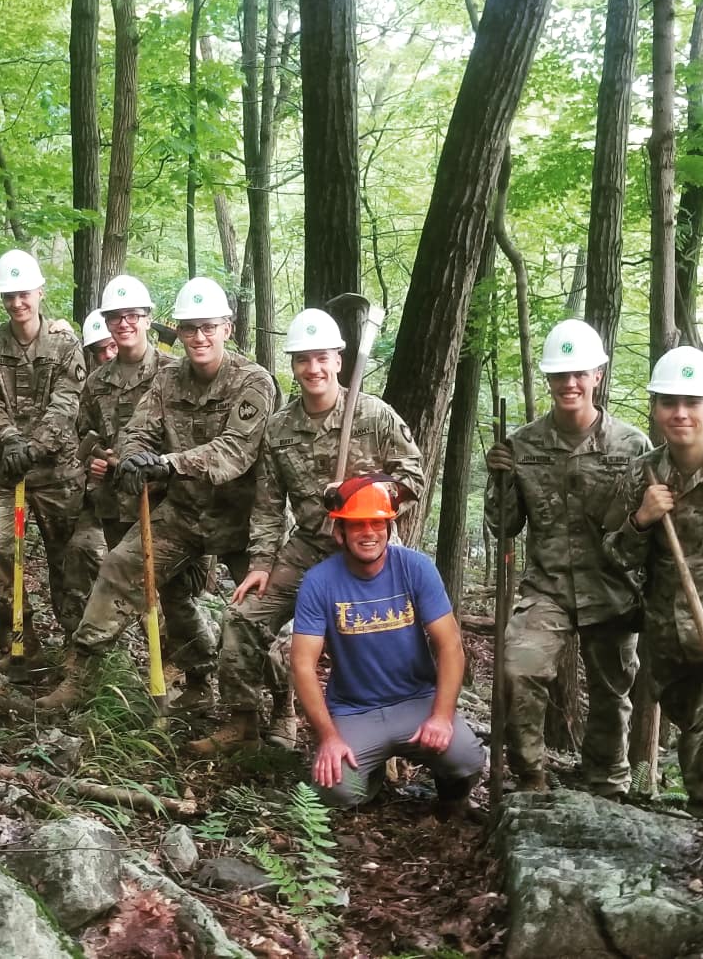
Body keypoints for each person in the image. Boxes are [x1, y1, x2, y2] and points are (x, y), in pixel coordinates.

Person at [191, 308, 424, 754]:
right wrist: (261, 563)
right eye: (302, 359)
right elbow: (267, 504)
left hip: (370, 552)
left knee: (374, 641)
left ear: (339, 359)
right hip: (307, 549)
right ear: (293, 365)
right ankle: (247, 722)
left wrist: (359, 492)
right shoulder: (279, 428)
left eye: (321, 358)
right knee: (242, 618)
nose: (313, 368)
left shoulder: (374, 416)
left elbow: (412, 477)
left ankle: (386, 739)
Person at [39, 276, 276, 710]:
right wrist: (131, 458)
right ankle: (82, 676)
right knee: (119, 566)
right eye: (189, 328)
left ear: (227, 327)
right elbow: (138, 429)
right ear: (178, 332)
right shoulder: (168, 381)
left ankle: (280, 710)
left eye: (208, 327)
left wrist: (165, 463)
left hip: (242, 519)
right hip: (183, 512)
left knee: (260, 613)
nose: (199, 337)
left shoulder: (253, 381)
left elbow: (235, 451)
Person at [484, 318, 651, 795]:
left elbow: (647, 527)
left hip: (612, 586)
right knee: (518, 670)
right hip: (548, 588)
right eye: (560, 375)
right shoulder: (523, 444)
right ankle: (532, 777)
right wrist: (501, 483)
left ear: (598, 374)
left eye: (579, 373)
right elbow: (503, 527)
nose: (570, 383)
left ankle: (607, 784)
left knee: (612, 692)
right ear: (549, 380)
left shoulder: (632, 445)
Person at [291, 479, 485, 813]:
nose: (369, 533)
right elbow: (302, 665)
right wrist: (328, 736)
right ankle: (372, 774)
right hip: (355, 709)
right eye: (357, 525)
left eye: (377, 522)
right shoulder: (319, 582)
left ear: (389, 527)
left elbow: (450, 645)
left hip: (417, 700)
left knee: (466, 758)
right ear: (340, 533)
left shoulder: (416, 568)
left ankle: (451, 798)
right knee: (335, 791)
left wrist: (441, 716)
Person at [72, 274, 212, 711]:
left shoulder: (173, 373)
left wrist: (158, 466)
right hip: (117, 502)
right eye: (115, 317)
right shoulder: (97, 381)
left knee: (175, 595)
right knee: (127, 585)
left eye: (131, 315)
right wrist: (95, 454)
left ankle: (199, 676)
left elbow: (191, 440)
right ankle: (129, 677)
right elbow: (83, 432)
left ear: (148, 320)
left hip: (169, 503)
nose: (123, 324)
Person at [603, 346, 703, 820]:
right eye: (669, 402)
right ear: (655, 409)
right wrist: (641, 520)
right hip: (671, 646)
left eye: (691, 402)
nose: (680, 413)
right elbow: (614, 554)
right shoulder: (644, 473)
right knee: (701, 759)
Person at [0, 249, 91, 662]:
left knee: (70, 561)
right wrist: (8, 440)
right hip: (5, 471)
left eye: (24, 294)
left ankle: (78, 648)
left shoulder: (64, 345)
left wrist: (35, 447)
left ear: (39, 292)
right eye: (9, 296)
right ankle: (20, 636)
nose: (17, 303)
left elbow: (66, 403)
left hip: (57, 474)